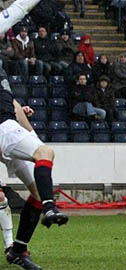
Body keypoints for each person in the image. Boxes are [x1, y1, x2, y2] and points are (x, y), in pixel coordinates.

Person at [0, 66, 68, 270]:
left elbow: (16, 107)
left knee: (37, 191)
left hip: (8, 128)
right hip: (4, 129)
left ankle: (17, 250)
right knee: (45, 153)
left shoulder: (4, 86)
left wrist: (34, 140)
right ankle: (49, 207)